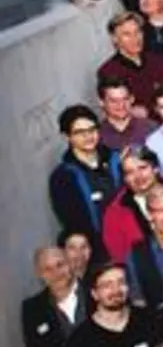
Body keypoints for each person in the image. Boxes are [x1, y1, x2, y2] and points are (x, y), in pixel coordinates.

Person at [48, 104, 124, 246]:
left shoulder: (117, 159)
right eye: (79, 132)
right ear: (67, 136)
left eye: (92, 129)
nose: (88, 136)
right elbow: (70, 221)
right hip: (95, 248)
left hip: (131, 239)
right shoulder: (63, 177)